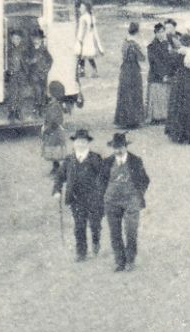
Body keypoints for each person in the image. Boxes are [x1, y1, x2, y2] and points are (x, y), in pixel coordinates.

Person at [54, 129, 107, 261]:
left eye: (83, 142)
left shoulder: (95, 158)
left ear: (88, 143)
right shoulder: (69, 159)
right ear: (74, 144)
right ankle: (81, 252)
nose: (80, 144)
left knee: (95, 224)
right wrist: (57, 190)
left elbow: (104, 177)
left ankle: (96, 241)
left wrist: (102, 193)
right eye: (78, 142)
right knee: (79, 226)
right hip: (76, 198)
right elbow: (60, 176)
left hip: (94, 198)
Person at [103, 132, 150, 271]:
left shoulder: (136, 161)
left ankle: (130, 259)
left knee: (131, 231)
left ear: (126, 147)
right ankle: (119, 261)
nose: (118, 150)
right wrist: (105, 195)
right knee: (114, 232)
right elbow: (100, 181)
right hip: (112, 202)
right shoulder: (107, 162)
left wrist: (137, 195)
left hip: (131, 201)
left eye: (121, 147)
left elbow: (145, 180)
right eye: (115, 147)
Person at [166, 36, 190, 144]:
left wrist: (170, 75)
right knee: (189, 105)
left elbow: (171, 68)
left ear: (181, 42)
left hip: (178, 81)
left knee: (177, 105)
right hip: (189, 81)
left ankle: (177, 133)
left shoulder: (176, 53)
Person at [114, 22, 145, 130]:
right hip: (133, 69)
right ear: (137, 31)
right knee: (134, 93)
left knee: (125, 93)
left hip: (125, 69)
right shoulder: (134, 43)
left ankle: (123, 120)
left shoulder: (125, 41)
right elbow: (142, 58)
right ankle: (133, 120)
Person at [38, 79, 69, 177]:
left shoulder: (55, 106)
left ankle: (58, 170)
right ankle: (56, 168)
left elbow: (55, 121)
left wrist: (47, 129)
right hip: (53, 131)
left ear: (52, 94)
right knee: (53, 152)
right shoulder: (54, 105)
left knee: (54, 151)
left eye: (49, 91)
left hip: (54, 133)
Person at [145, 23, 174, 126]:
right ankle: (156, 117)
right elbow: (154, 62)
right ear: (155, 33)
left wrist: (169, 73)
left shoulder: (167, 44)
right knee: (157, 96)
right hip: (156, 75)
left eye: (162, 32)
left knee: (165, 95)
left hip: (166, 73)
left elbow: (170, 59)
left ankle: (164, 116)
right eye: (159, 32)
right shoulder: (151, 46)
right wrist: (163, 75)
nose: (161, 34)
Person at [6, 30, 34, 123]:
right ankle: (12, 112)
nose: (16, 40)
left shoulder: (23, 50)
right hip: (13, 74)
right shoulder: (9, 50)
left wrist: (26, 70)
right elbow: (7, 63)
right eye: (14, 38)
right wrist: (9, 71)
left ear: (21, 39)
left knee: (20, 94)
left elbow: (27, 61)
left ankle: (19, 112)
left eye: (18, 38)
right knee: (13, 93)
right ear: (11, 39)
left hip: (21, 74)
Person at [27, 30, 55, 111]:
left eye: (38, 39)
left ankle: (42, 108)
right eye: (35, 39)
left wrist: (46, 69)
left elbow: (50, 60)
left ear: (41, 40)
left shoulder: (44, 50)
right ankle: (37, 106)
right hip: (34, 74)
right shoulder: (30, 50)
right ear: (32, 39)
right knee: (37, 89)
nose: (36, 41)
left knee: (43, 90)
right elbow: (26, 61)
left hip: (43, 74)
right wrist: (31, 61)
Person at [75, 2, 103, 77]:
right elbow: (92, 29)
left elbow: (83, 30)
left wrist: (80, 39)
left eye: (81, 8)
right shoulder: (91, 17)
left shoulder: (83, 18)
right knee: (86, 56)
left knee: (82, 55)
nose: (80, 9)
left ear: (86, 9)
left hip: (84, 39)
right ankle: (91, 71)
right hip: (89, 38)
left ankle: (82, 71)